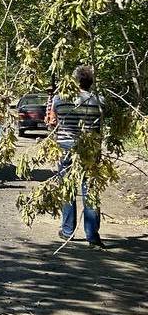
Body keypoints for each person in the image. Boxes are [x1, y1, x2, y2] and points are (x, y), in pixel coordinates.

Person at [47, 65, 105, 248]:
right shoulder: (100, 101)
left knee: (67, 189)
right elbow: (100, 127)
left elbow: (52, 124)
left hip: (65, 149)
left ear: (74, 81)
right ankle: (92, 236)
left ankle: (67, 230)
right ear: (91, 82)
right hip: (90, 151)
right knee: (91, 191)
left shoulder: (59, 99)